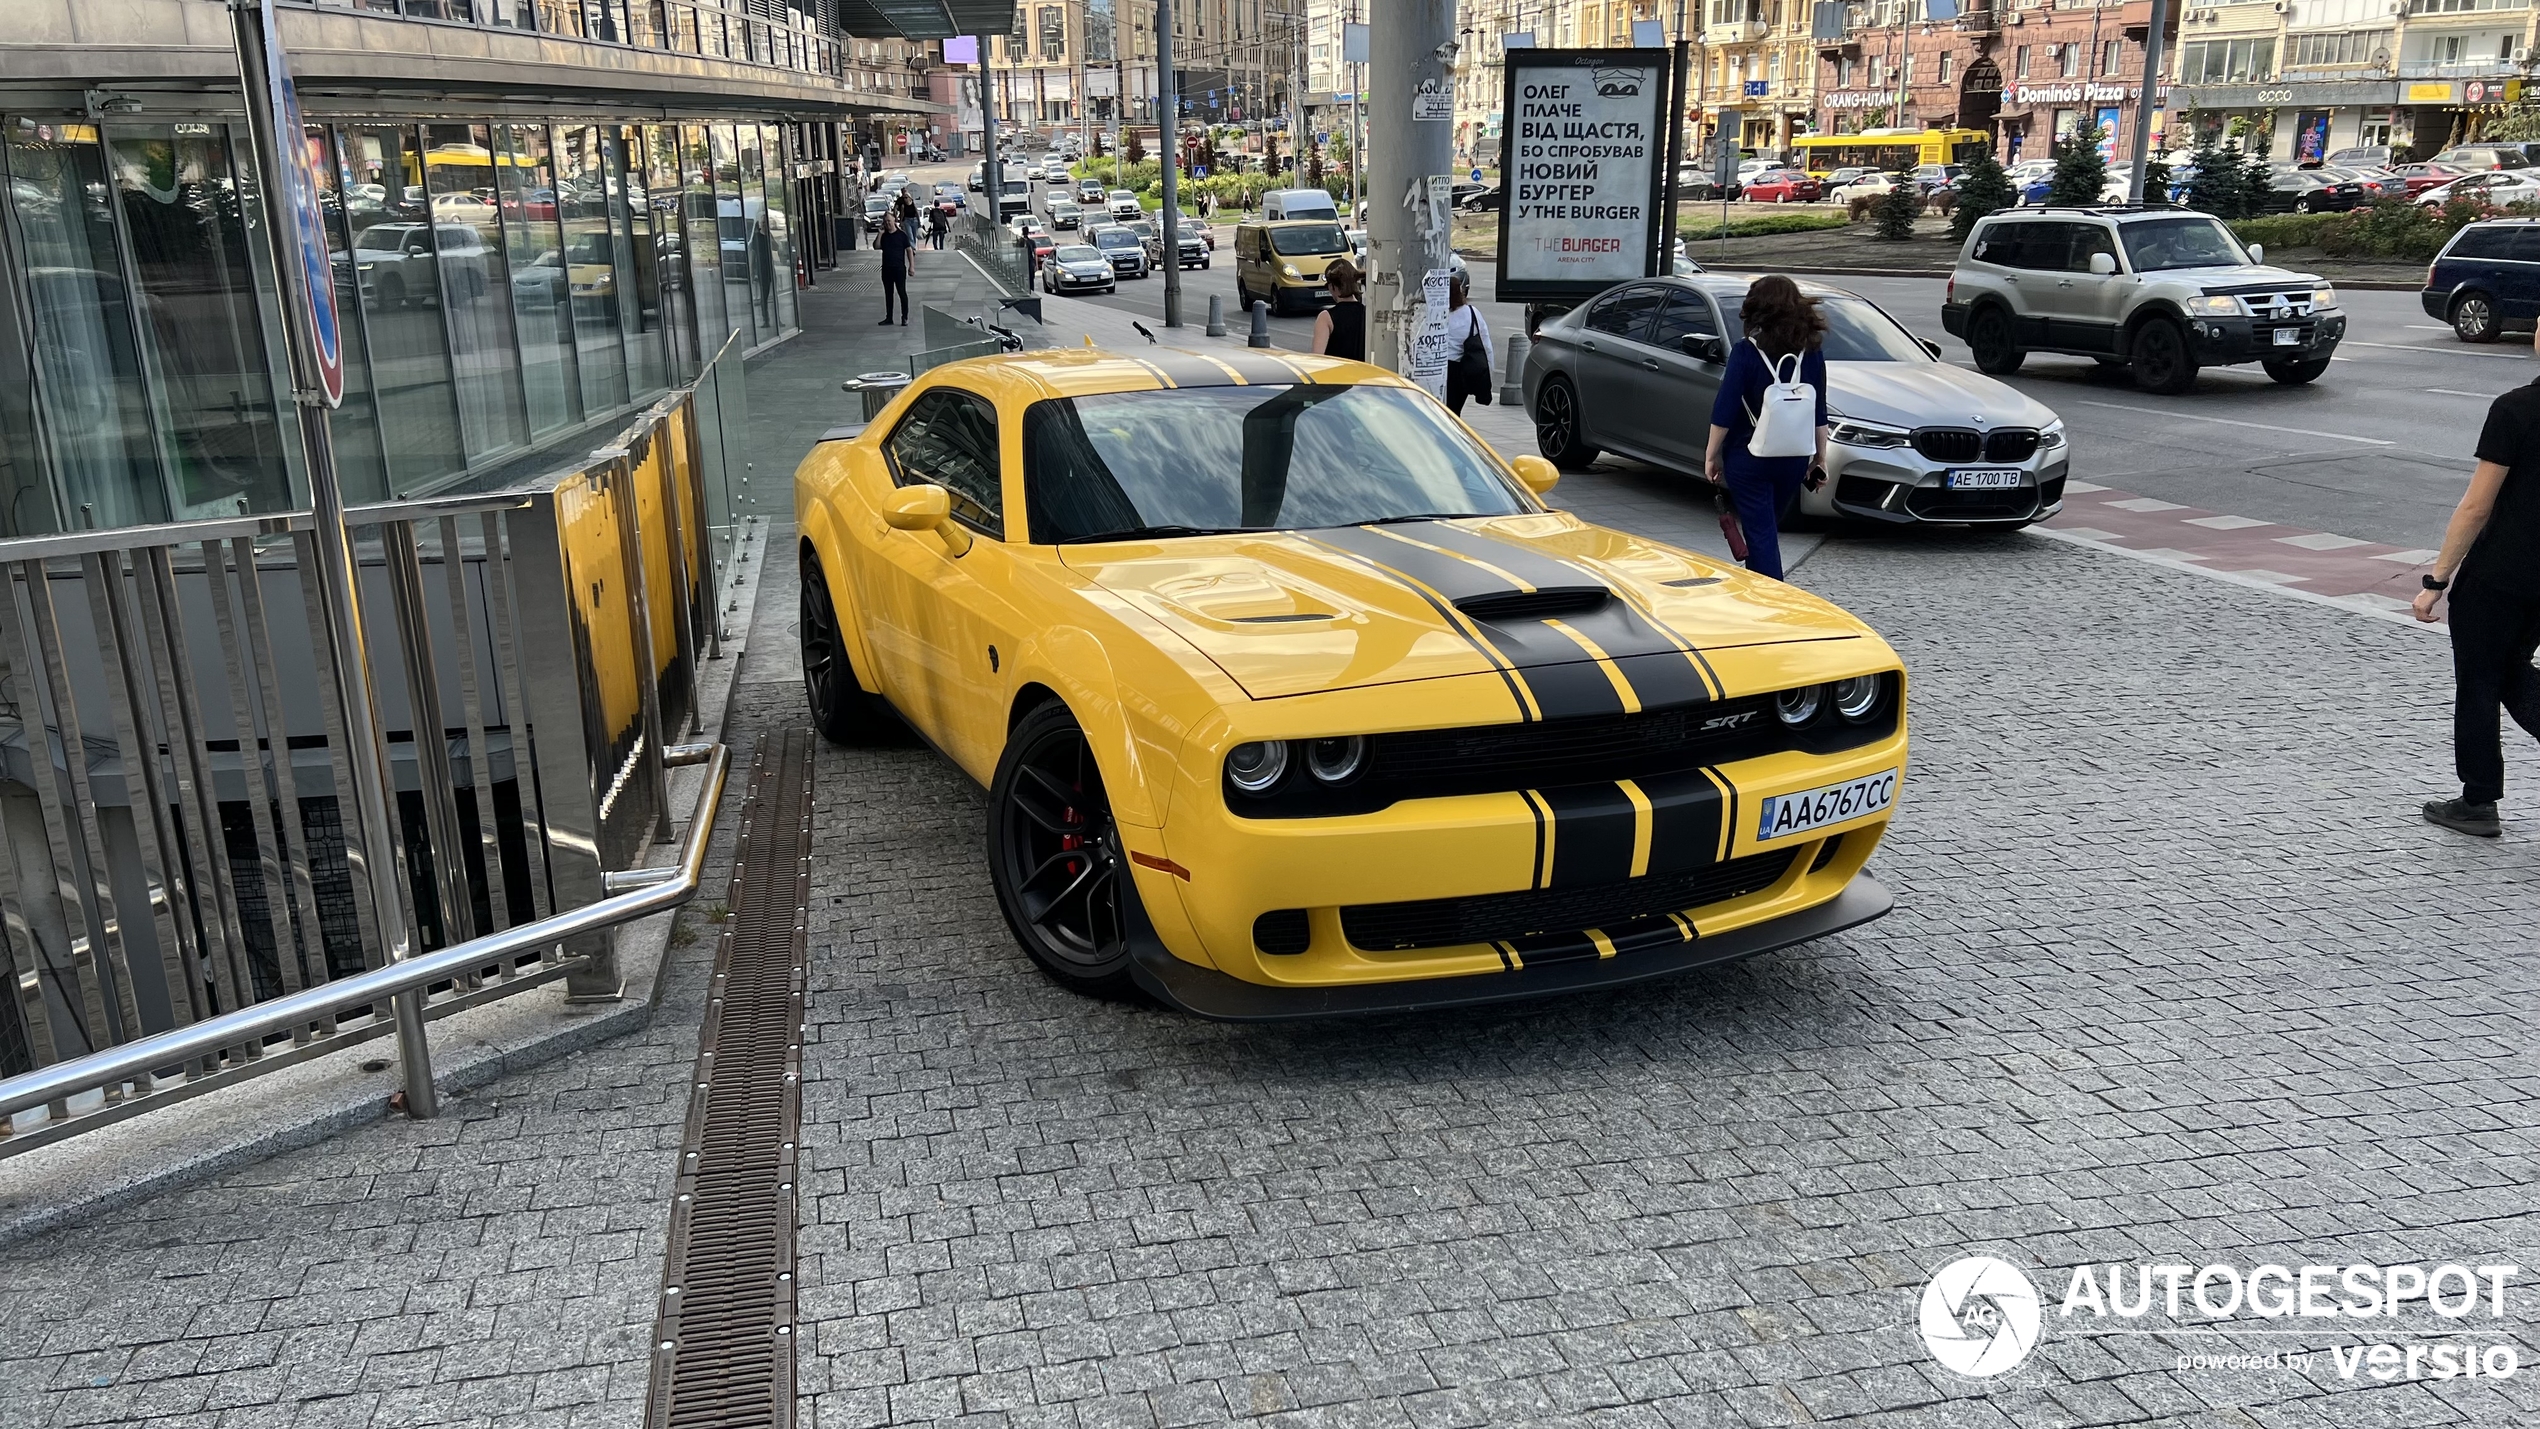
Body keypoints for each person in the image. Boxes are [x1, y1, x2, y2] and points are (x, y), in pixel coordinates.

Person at [2414, 325, 2540, 836]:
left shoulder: (2516, 410)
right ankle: (2478, 797)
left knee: (2480, 680)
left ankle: (2478, 800)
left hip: (2500, 574)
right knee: (2509, 668)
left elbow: (2476, 506)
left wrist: (2437, 579)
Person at [1704, 275, 1828, 583]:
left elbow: (1725, 411)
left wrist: (1711, 456)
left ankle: (1770, 598)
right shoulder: (1811, 353)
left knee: (1760, 532)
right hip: (1793, 457)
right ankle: (1765, 589)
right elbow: (1819, 410)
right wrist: (1820, 459)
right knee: (1766, 527)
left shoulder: (1745, 352)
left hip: (1749, 459)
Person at [1442, 272, 1492, 415]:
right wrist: (1488, 369)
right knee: (1454, 411)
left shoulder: (1436, 313)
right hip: (1461, 369)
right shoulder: (1472, 312)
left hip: (1440, 367)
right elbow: (1485, 343)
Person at [1313, 258, 1366, 361]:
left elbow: (1316, 359)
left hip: (1336, 375)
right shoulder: (1367, 314)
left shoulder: (1326, 318)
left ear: (1332, 286)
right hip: (1363, 375)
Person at [876, 212, 913, 326]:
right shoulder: (884, 236)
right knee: (888, 294)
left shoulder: (901, 235)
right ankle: (889, 317)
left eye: (889, 221)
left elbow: (909, 250)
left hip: (899, 269)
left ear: (894, 221)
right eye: (885, 221)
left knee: (902, 292)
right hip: (886, 269)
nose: (887, 223)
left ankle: (905, 317)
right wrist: (880, 234)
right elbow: (876, 246)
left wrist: (912, 266)